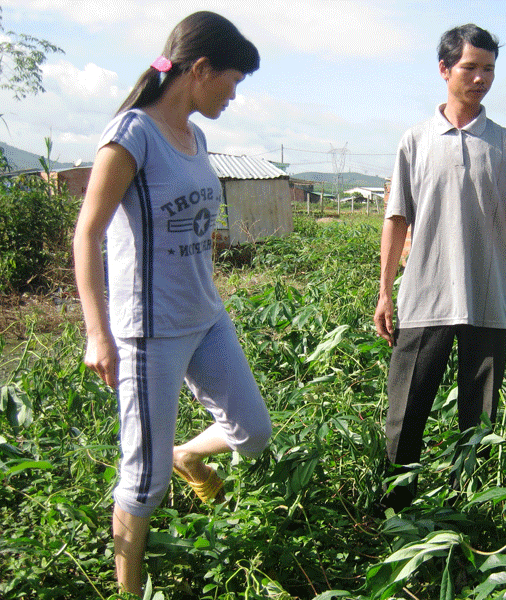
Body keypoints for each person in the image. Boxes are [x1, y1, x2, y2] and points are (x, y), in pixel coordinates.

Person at [72, 12, 272, 595]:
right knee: (142, 480)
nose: (235, 94)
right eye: (232, 80)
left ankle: (186, 454)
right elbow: (87, 234)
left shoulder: (196, 135)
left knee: (253, 432)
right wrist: (97, 332)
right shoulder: (131, 134)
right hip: (149, 331)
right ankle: (129, 591)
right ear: (200, 69)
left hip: (206, 316)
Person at [374, 24, 506, 512]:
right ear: (444, 70)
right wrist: (385, 291)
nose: (481, 78)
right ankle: (394, 511)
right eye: (470, 68)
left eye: (489, 69)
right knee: (406, 413)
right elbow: (396, 218)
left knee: (479, 418)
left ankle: (470, 506)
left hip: (488, 298)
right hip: (424, 297)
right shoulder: (416, 140)